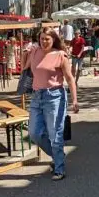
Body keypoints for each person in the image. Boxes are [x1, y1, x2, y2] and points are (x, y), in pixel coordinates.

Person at [26, 28, 79, 181]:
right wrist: (25, 52)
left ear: (53, 39)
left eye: (47, 39)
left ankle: (59, 168)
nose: (44, 42)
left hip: (54, 96)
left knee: (55, 134)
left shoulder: (60, 55)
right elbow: (25, 67)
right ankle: (58, 157)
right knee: (34, 133)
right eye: (42, 39)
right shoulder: (35, 52)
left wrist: (75, 99)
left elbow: (69, 79)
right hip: (36, 96)